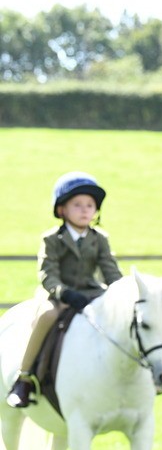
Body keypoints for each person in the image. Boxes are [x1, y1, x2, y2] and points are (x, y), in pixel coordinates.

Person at [7, 172, 123, 408]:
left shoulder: (100, 238)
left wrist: (122, 292)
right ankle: (25, 378)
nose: (85, 210)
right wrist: (64, 293)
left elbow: (110, 271)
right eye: (77, 205)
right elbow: (47, 274)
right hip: (59, 295)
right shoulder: (52, 239)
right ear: (62, 210)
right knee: (46, 316)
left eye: (90, 205)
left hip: (92, 293)